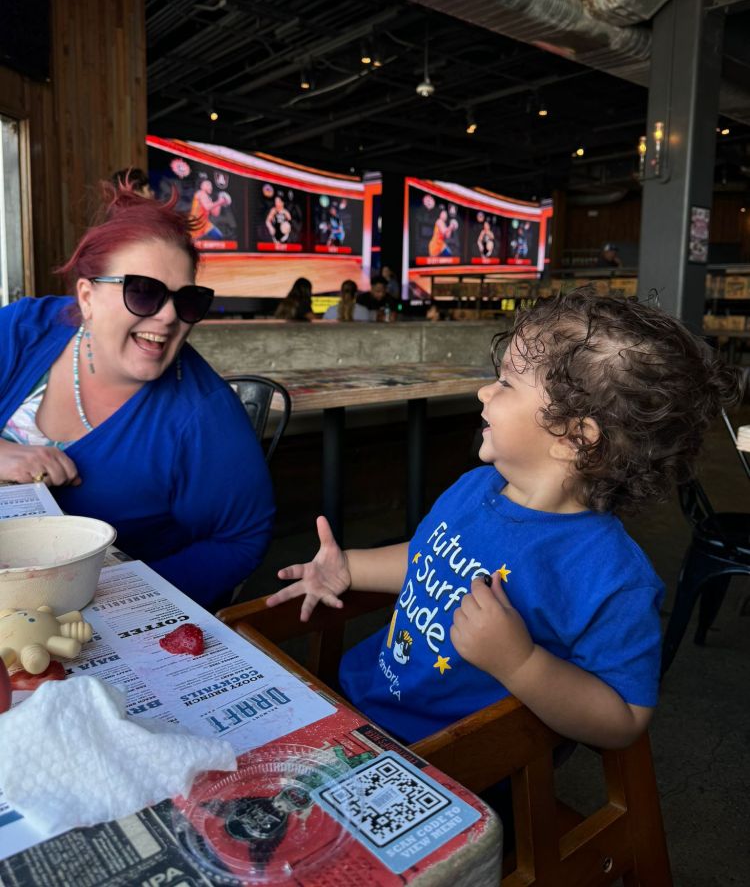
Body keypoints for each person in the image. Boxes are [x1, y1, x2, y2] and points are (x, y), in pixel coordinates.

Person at [266, 288, 739, 749]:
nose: (484, 391)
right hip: (357, 700)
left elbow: (624, 720)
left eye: (507, 382)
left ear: (575, 438)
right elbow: (426, 559)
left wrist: (520, 663)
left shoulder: (611, 576)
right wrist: (349, 566)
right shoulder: (476, 487)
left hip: (444, 757)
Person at [0, 182, 274, 608]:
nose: (168, 317)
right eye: (143, 292)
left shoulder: (203, 416)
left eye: (187, 301)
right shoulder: (24, 329)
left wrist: (113, 598)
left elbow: (243, 539)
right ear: (87, 297)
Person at [190, 174, 231, 241]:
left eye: (211, 185)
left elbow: (215, 213)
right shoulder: (200, 193)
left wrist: (220, 201)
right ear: (201, 186)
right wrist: (219, 202)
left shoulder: (209, 199)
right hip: (195, 223)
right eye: (208, 185)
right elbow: (207, 207)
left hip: (205, 224)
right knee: (193, 242)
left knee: (218, 236)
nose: (210, 187)